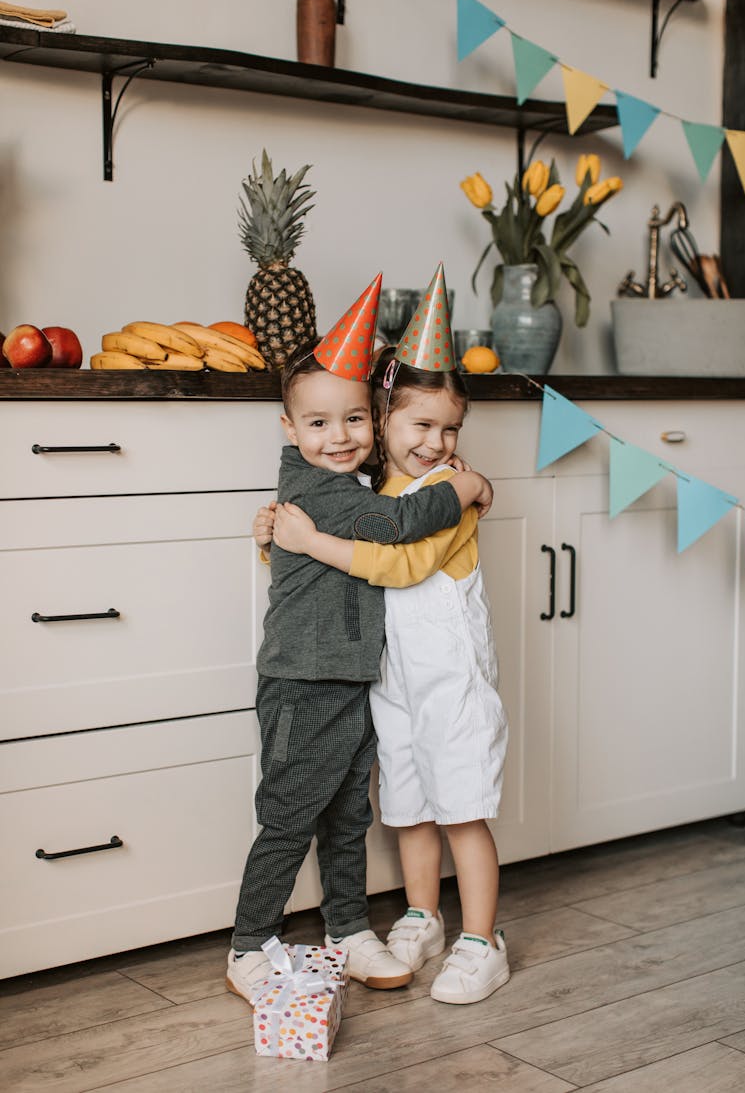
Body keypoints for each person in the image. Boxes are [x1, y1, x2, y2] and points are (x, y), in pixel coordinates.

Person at [227, 273, 495, 1006]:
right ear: (289, 428)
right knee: (287, 815)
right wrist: (464, 489)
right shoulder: (327, 495)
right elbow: (397, 529)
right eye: (317, 423)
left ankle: (347, 925)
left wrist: (278, 542)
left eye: (352, 420)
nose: (338, 436)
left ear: (374, 424)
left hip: (355, 678)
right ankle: (248, 945)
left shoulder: (349, 487)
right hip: (302, 680)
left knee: (348, 814)